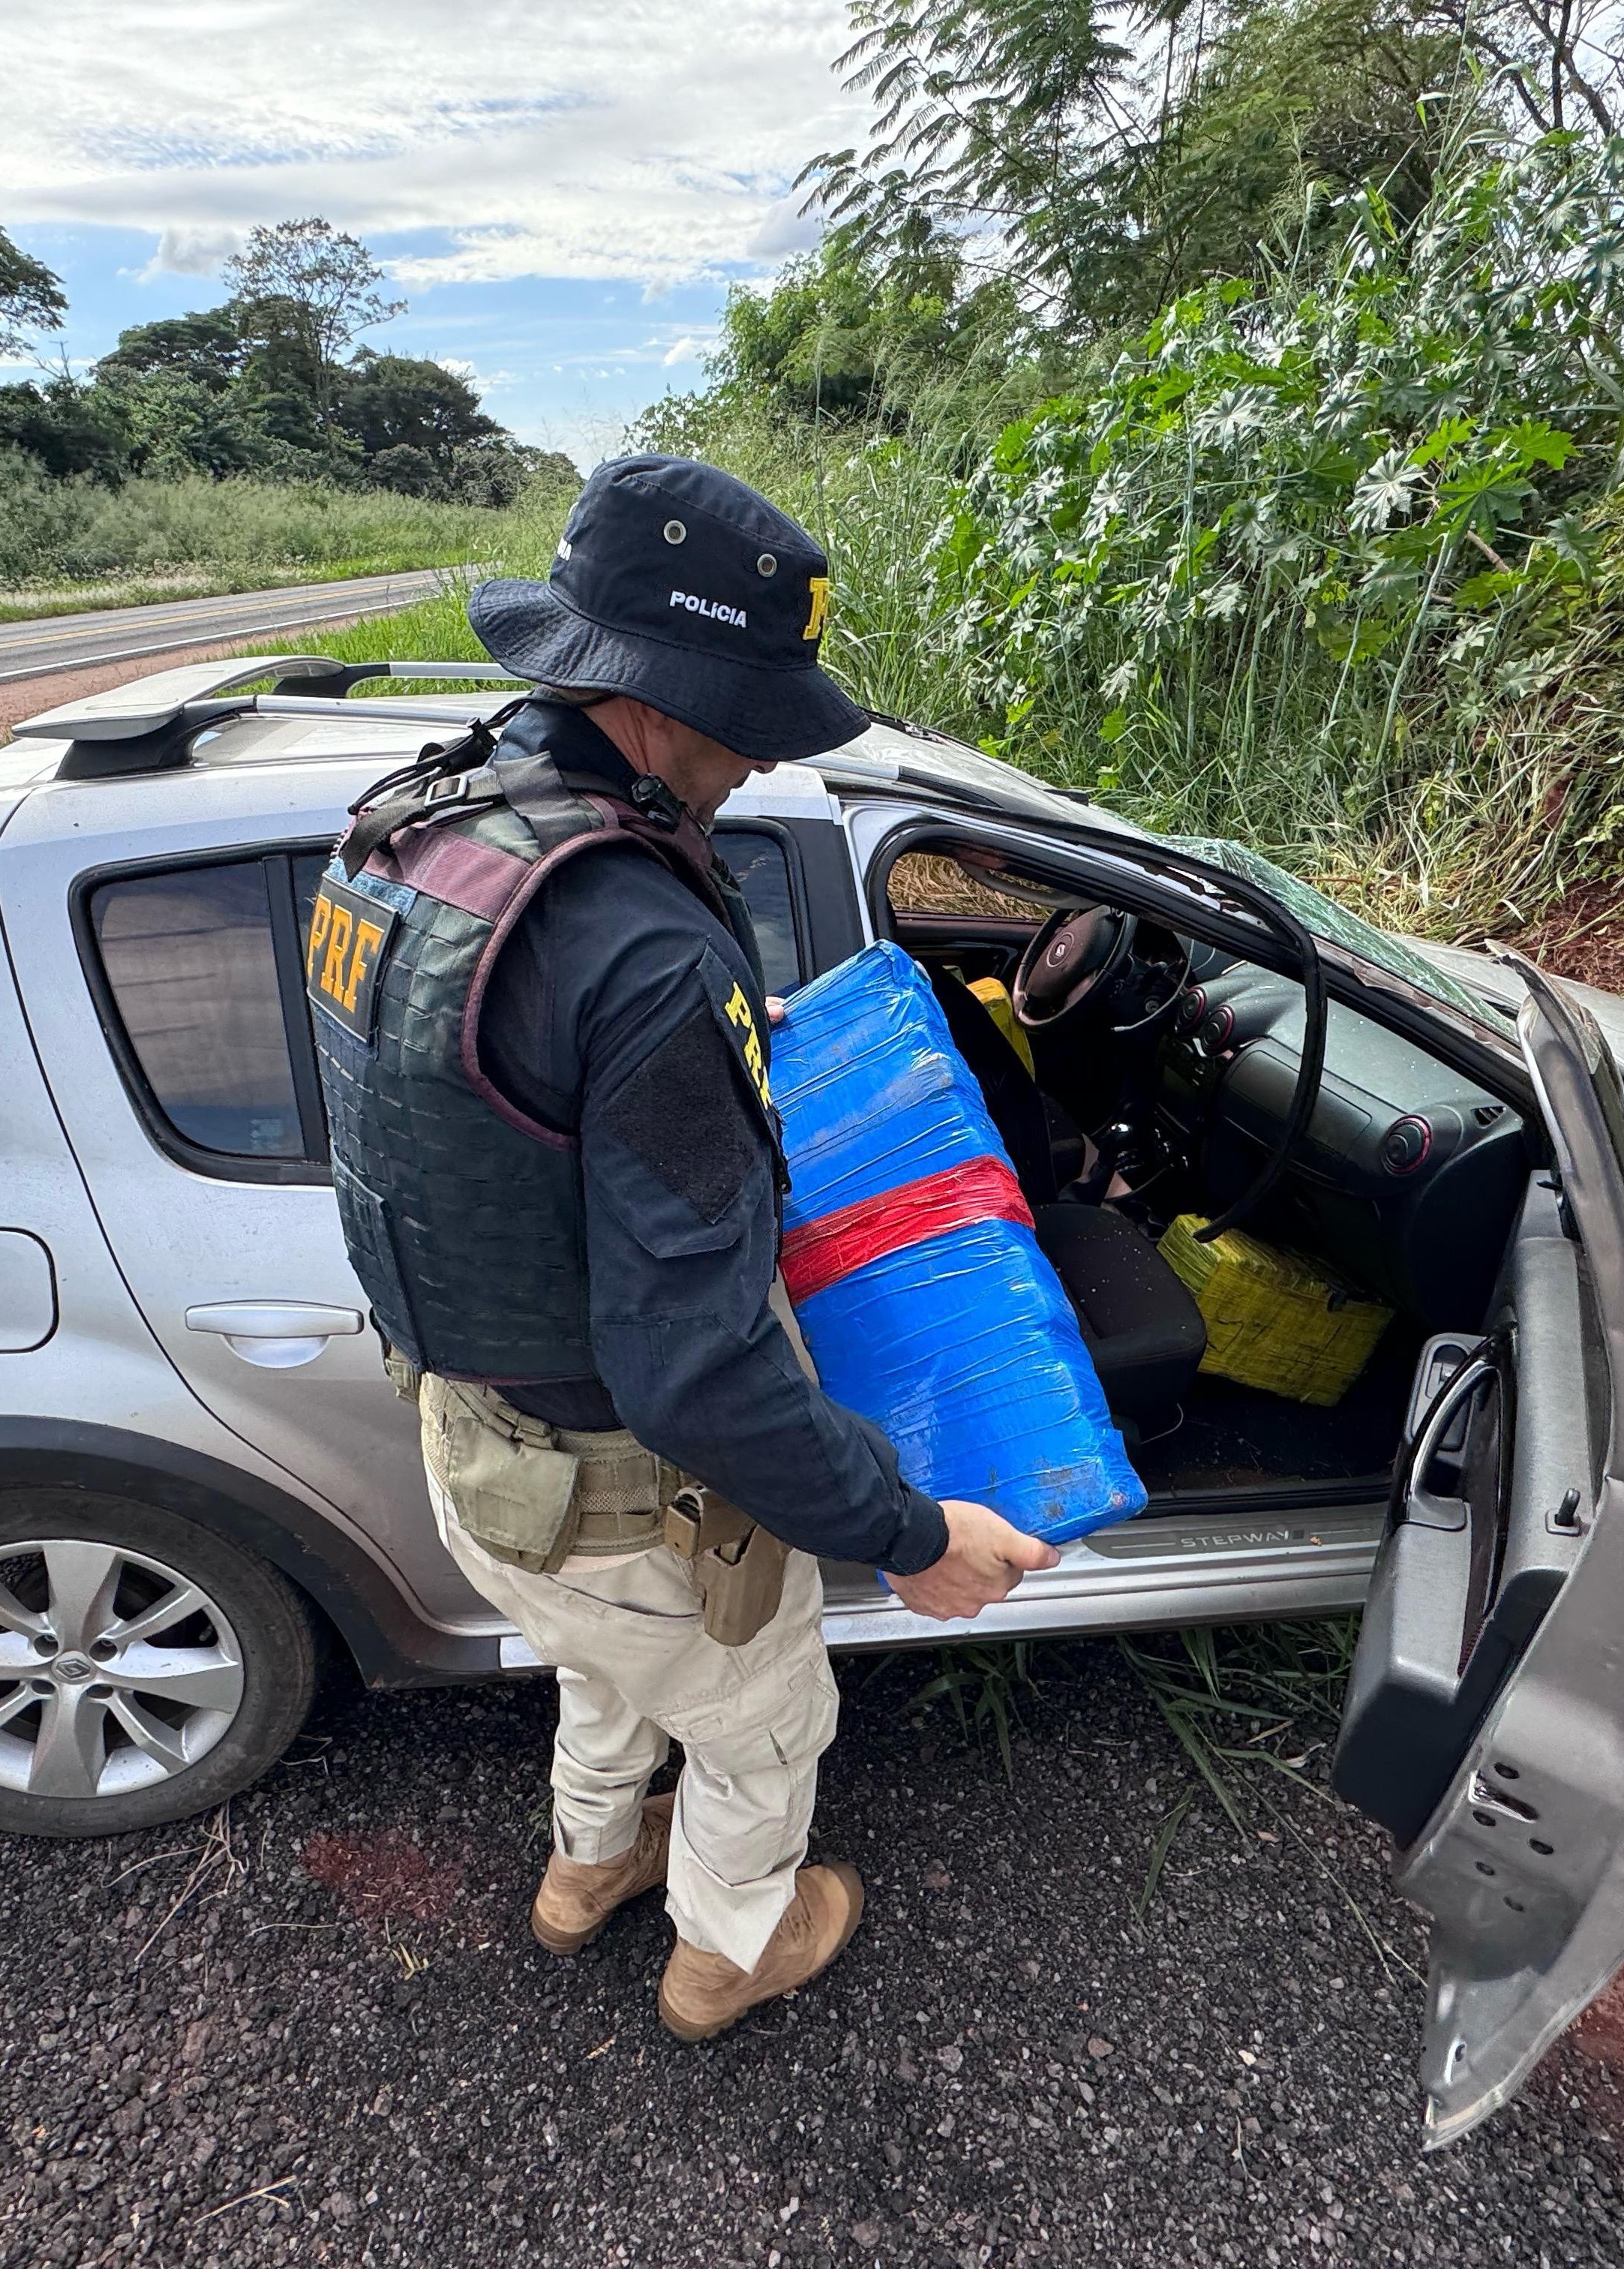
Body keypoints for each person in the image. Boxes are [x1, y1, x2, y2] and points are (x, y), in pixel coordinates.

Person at [307, 453, 1060, 2042]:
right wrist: (914, 1536)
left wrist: (685, 1073)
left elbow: (471, 1099)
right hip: (627, 1492)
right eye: (747, 720)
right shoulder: (641, 942)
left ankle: (585, 1876)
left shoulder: (418, 824)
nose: (753, 764)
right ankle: (732, 1952)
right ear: (658, 701)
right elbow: (698, 1371)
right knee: (765, 1728)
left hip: (477, 1445)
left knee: (603, 1673)